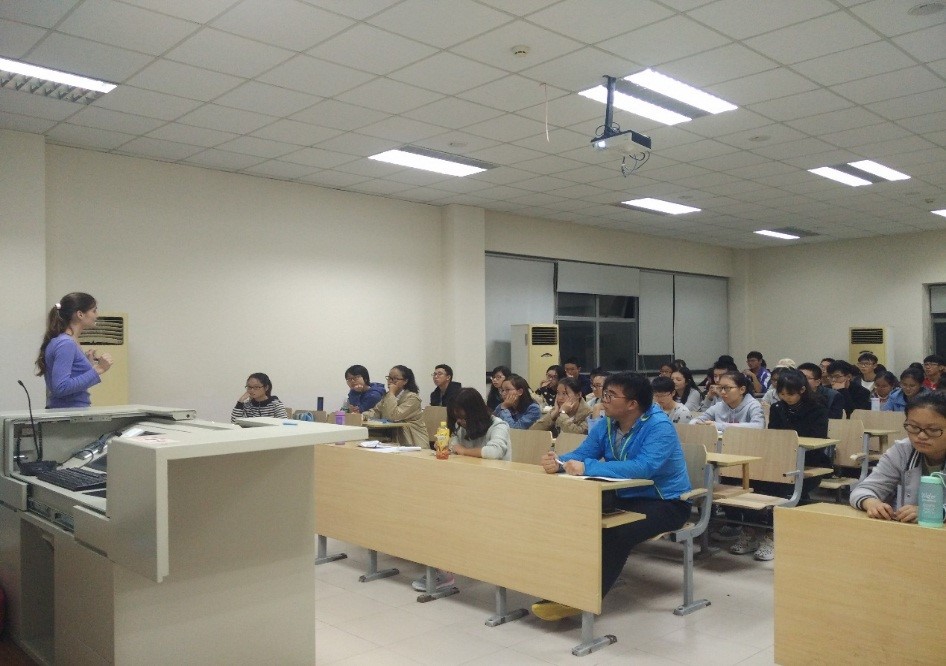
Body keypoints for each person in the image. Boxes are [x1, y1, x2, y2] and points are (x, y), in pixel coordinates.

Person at [532, 372, 691, 621]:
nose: (602, 400)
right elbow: (584, 453)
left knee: (616, 532)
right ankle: (562, 585)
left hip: (666, 502)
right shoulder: (607, 422)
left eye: (610, 395)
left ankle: (582, 598)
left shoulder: (659, 426)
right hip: (626, 495)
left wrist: (587, 467)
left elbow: (644, 467)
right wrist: (559, 462)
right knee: (573, 517)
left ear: (632, 404)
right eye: (603, 394)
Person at [729, 370, 829, 561]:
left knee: (782, 488)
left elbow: (817, 440)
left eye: (790, 394)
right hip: (779, 461)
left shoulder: (818, 408)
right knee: (751, 483)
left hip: (808, 462)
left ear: (802, 390)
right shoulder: (777, 408)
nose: (786, 398)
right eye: (782, 394)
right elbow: (773, 436)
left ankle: (772, 535)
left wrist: (790, 445)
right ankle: (750, 531)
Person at [851, 392, 946, 523]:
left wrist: (936, 511)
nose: (921, 436)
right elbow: (863, 490)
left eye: (933, 430)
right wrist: (872, 503)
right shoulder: (902, 451)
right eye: (913, 427)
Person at [35, 292, 112, 408]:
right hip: (68, 414)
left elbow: (71, 379)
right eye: (94, 311)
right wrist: (98, 369)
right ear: (80, 314)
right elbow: (61, 388)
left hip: (70, 412)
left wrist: (87, 363)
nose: (97, 315)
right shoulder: (66, 344)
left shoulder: (67, 341)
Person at [362, 365, 429, 446]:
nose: (390, 381)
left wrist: (391, 393)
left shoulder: (413, 398)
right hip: (393, 437)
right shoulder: (388, 395)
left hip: (412, 440)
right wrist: (361, 416)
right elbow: (376, 412)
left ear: (405, 381)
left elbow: (394, 416)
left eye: (395, 379)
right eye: (389, 378)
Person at [448, 388, 511, 461]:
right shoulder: (459, 425)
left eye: (463, 417)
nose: (458, 421)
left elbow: (496, 451)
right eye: (456, 417)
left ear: (475, 413)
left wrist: (464, 451)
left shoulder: (498, 425)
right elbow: (454, 447)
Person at [690, 372, 764, 430]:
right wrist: (700, 424)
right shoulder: (718, 406)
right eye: (720, 388)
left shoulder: (753, 405)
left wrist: (720, 426)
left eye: (727, 388)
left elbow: (759, 426)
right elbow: (695, 421)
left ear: (742, 390)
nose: (722, 392)